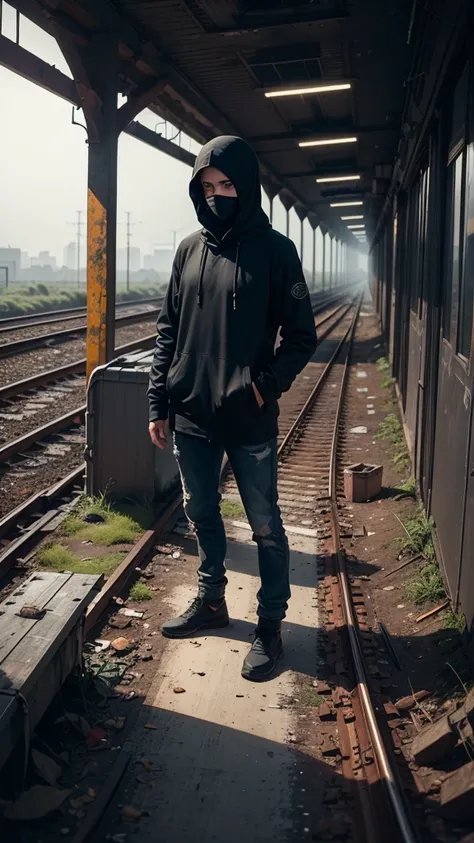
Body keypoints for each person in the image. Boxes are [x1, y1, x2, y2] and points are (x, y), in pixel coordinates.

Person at [148, 135, 317, 681]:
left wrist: (263, 388)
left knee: (265, 526)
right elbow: (168, 330)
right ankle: (212, 601)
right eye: (207, 186)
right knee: (200, 511)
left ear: (246, 186)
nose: (217, 194)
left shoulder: (276, 251)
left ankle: (270, 626)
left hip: (249, 418)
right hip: (192, 414)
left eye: (226, 185)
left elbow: (300, 338)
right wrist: (160, 398)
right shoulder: (188, 250)